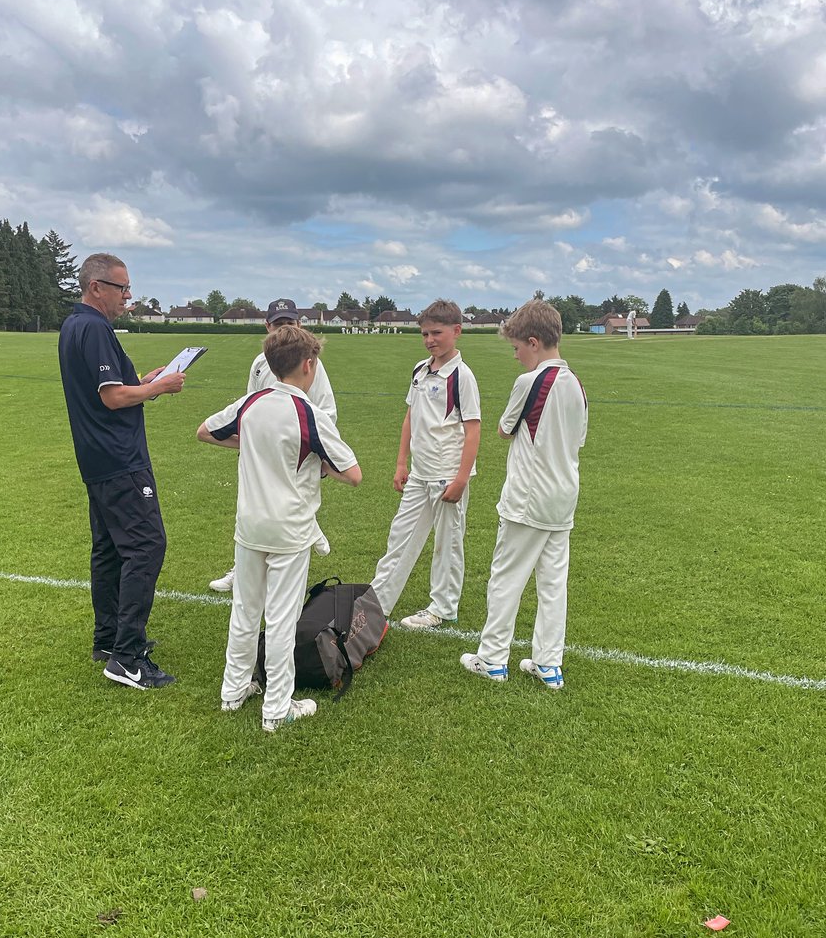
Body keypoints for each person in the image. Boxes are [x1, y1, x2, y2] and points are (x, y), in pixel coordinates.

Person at [197, 326, 361, 732]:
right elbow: (353, 474)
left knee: (245, 611)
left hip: (250, 527)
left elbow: (204, 431)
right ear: (309, 365)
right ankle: (277, 707)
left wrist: (252, 444)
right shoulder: (309, 413)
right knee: (282, 618)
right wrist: (318, 462)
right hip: (289, 531)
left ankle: (233, 691)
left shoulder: (252, 402)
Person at [58, 253, 185, 690]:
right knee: (147, 545)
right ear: (96, 287)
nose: (128, 297)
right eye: (121, 288)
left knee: (111, 548)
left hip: (97, 458)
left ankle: (108, 641)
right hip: (118, 459)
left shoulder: (76, 326)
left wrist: (147, 382)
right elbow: (112, 398)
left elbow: (111, 390)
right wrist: (160, 386)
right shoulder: (92, 327)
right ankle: (127, 657)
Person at [460, 299, 588, 690]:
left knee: (506, 577)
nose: (515, 357)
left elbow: (503, 429)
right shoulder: (577, 385)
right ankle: (549, 664)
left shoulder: (531, 382)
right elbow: (577, 441)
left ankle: (492, 659)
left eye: (516, 348)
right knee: (553, 583)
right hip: (563, 497)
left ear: (533, 342)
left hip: (528, 498)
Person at [208, 298, 337, 592]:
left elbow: (326, 412)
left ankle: (305, 544)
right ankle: (242, 569)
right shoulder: (259, 363)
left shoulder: (311, 364)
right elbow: (248, 409)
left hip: (296, 452)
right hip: (261, 455)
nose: (283, 329)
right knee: (254, 511)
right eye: (278, 324)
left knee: (290, 511)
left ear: (299, 326)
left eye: (289, 324)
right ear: (267, 327)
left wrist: (316, 452)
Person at [370, 299, 481, 630]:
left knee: (447, 543)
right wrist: (401, 462)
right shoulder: (421, 369)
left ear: (456, 331)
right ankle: (376, 603)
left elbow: (473, 428)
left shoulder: (462, 376)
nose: (431, 339)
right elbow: (410, 416)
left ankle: (443, 608)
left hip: (448, 475)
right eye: (425, 334)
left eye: (437, 333)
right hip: (420, 473)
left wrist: (461, 479)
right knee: (399, 536)